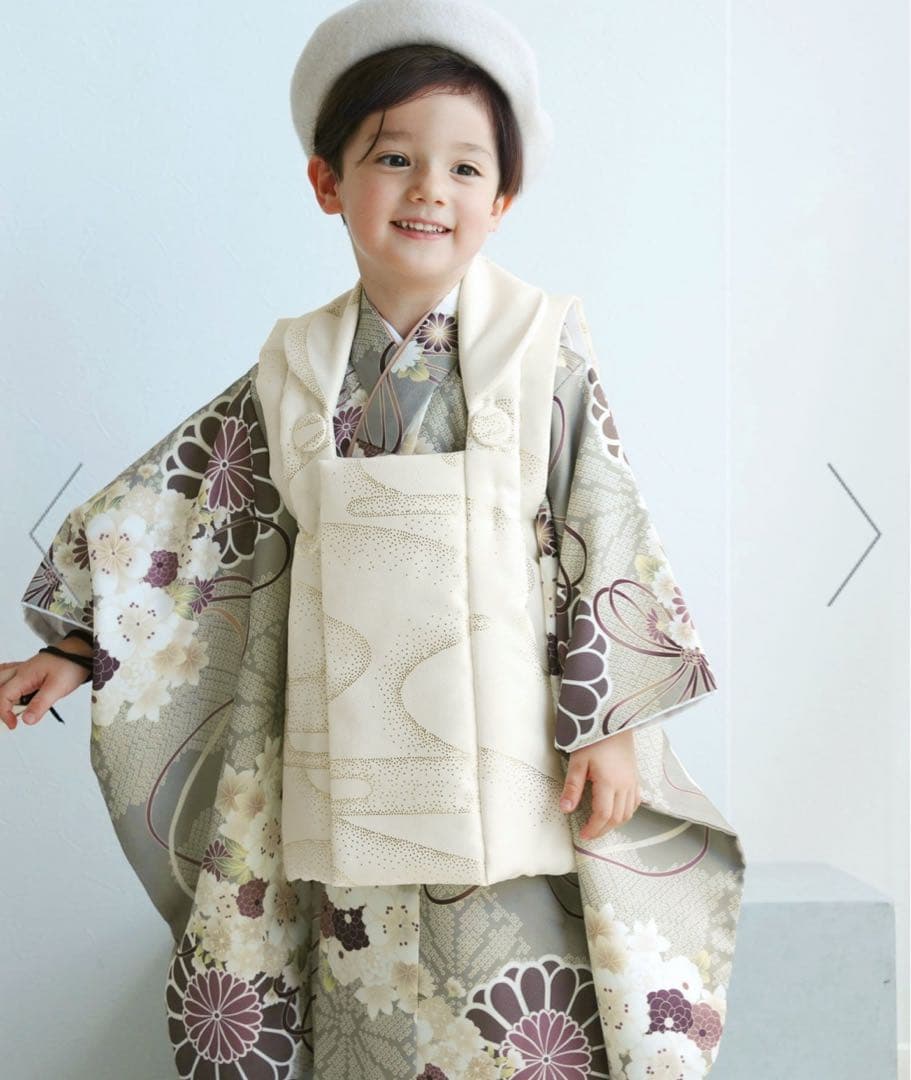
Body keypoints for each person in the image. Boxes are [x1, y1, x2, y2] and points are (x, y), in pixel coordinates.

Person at [5, 1, 746, 1076]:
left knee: (515, 996)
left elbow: (603, 521)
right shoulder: (295, 368)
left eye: (462, 168)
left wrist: (611, 722)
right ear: (327, 182)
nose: (427, 190)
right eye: (393, 158)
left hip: (514, 742)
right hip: (340, 747)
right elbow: (196, 519)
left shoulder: (543, 351)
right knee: (367, 999)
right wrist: (81, 644)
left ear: (501, 198)